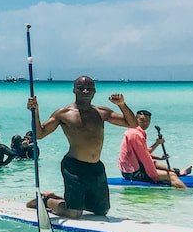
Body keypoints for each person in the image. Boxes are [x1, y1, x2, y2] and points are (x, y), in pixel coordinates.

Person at [26, 76, 137, 218]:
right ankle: (47, 200)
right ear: (74, 90)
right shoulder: (64, 114)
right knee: (74, 213)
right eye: (81, 88)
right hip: (74, 167)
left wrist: (122, 104)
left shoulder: (102, 112)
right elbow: (39, 134)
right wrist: (35, 112)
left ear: (94, 92)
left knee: (101, 211)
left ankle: (66, 200)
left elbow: (132, 124)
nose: (85, 91)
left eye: (89, 88)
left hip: (96, 167)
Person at [118, 110, 188, 188]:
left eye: (148, 121)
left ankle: (178, 172)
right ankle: (186, 194)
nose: (145, 123)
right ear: (135, 119)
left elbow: (141, 153)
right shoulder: (136, 135)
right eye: (142, 120)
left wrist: (159, 157)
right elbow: (145, 158)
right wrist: (154, 176)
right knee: (172, 176)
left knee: (155, 163)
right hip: (132, 174)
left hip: (129, 169)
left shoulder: (132, 131)